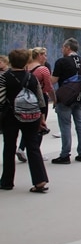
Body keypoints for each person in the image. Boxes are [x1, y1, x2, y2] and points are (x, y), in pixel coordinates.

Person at [0, 49, 49, 192]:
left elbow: (1, 100)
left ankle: (7, 181)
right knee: (33, 147)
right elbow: (40, 99)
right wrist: (41, 117)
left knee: (9, 147)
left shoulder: (4, 77)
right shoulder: (31, 77)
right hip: (32, 116)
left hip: (11, 116)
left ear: (10, 61)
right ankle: (40, 181)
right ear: (26, 62)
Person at [51, 38, 81, 164]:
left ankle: (65, 155)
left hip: (64, 99)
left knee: (65, 126)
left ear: (68, 48)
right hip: (80, 97)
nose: (62, 49)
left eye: (63, 47)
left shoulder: (61, 62)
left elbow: (52, 81)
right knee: (80, 124)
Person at [16, 47, 55, 163]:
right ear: (39, 55)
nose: (46, 57)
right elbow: (48, 87)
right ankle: (35, 152)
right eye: (45, 55)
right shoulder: (43, 69)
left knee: (27, 125)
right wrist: (55, 99)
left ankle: (22, 148)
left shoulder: (25, 67)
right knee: (39, 126)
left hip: (24, 99)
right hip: (40, 98)